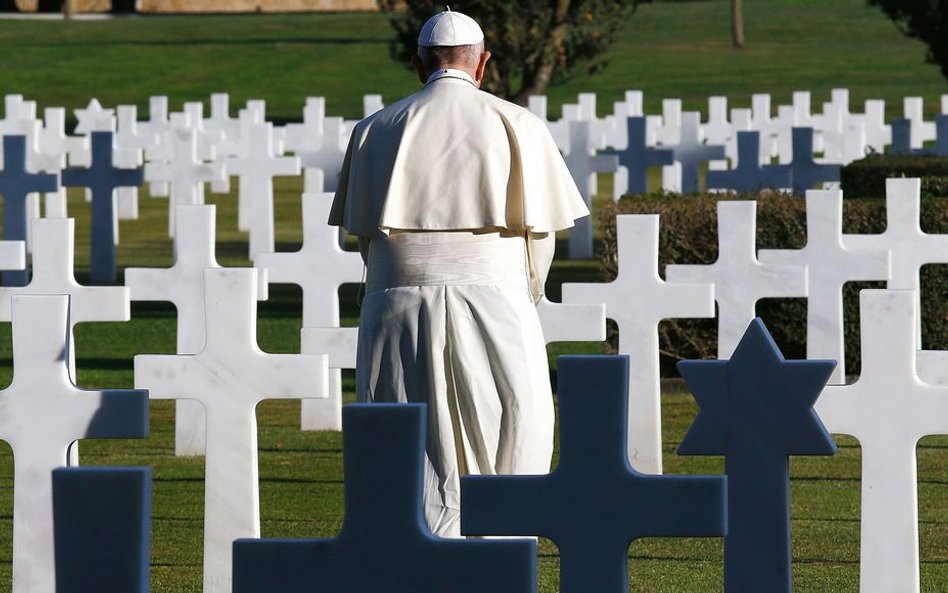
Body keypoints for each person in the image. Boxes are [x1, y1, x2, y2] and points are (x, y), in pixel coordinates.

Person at [329, 8, 588, 538]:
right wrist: (526, 289)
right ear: (483, 62)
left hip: (396, 307)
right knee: (510, 424)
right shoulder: (517, 124)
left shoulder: (375, 129)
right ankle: (501, 547)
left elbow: (363, 239)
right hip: (497, 302)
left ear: (418, 64)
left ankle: (415, 549)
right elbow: (539, 237)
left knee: (406, 434)